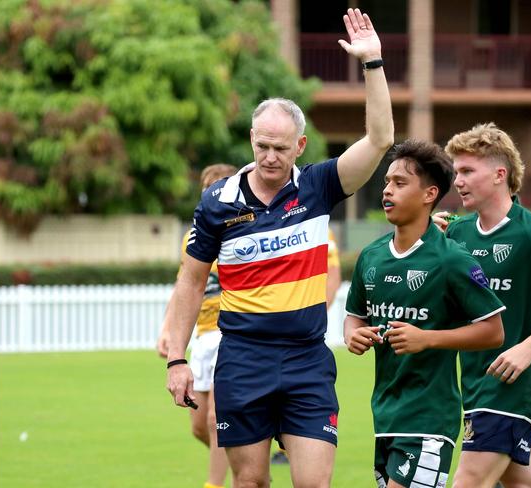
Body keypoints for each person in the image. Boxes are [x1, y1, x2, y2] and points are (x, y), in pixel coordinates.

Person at [165, 8, 394, 487]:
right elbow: (190, 279)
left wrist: (372, 62)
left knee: (312, 483)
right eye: (262, 145)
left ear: (301, 145)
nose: (270, 157)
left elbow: (380, 139)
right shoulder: (217, 203)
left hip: (307, 359)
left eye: (281, 148)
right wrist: (178, 359)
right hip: (242, 359)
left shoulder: (319, 187)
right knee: (251, 482)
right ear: (251, 138)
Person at [344, 140, 506, 488]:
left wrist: (427, 339)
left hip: (430, 419)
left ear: (429, 194)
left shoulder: (452, 260)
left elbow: (493, 331)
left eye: (400, 183)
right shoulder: (371, 257)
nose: (387, 190)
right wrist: (352, 334)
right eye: (387, 182)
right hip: (385, 414)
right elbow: (354, 315)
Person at [435, 123, 531, 488]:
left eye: (468, 171)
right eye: (456, 172)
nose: (458, 181)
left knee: (468, 481)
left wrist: (529, 348)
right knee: (524, 484)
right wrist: (428, 244)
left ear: (500, 175)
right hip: (473, 384)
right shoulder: (457, 233)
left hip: (512, 388)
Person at [157, 164, 238, 488]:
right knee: (199, 426)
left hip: (231, 333)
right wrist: (167, 328)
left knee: (217, 418)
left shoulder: (245, 228)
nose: (211, 192)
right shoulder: (195, 235)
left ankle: (214, 484)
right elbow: (183, 285)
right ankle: (249, 463)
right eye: (206, 186)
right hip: (202, 336)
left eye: (217, 185)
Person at [270, 227, 342, 466]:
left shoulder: (317, 225)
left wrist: (316, 311)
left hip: (304, 336)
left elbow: (333, 272)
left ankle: (291, 446)